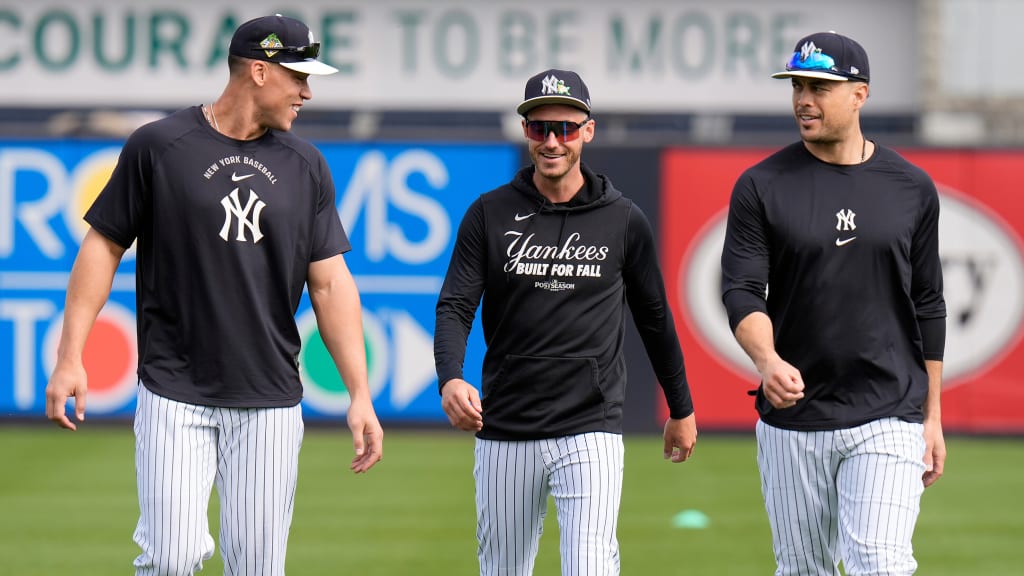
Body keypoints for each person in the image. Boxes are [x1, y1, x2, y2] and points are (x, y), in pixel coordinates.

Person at [44, 14, 383, 576]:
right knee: (171, 558)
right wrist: (69, 356)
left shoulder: (306, 165)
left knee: (256, 567)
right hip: (174, 392)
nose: (307, 92)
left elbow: (329, 283)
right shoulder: (159, 146)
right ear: (259, 71)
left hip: (270, 399)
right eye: (298, 76)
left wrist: (360, 394)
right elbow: (102, 247)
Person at [434, 68, 698, 576]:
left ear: (588, 131)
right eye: (540, 128)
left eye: (565, 128)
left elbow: (655, 320)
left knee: (589, 566)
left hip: (590, 427)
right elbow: (455, 306)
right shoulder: (488, 214)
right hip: (506, 427)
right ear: (525, 132)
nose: (552, 141)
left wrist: (681, 407)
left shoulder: (624, 220)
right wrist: (450, 377)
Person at [720, 31, 946, 575]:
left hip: (889, 410)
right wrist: (767, 361)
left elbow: (928, 302)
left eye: (819, 88)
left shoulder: (912, 187)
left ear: (859, 94)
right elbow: (742, 290)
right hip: (794, 418)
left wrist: (932, 416)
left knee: (881, 562)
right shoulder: (760, 185)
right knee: (802, 570)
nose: (804, 100)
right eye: (797, 87)